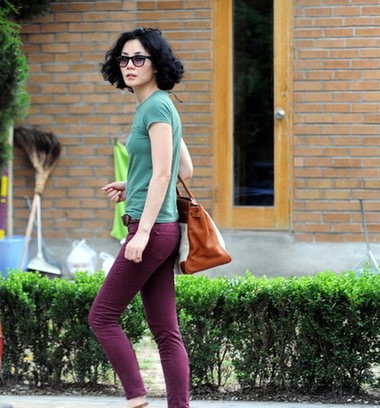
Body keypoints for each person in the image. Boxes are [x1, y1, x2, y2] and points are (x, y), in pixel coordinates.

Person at [89, 27, 193, 408]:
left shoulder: (156, 107)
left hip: (151, 230)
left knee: (102, 317)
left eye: (138, 58)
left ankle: (136, 400)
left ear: (156, 63)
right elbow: (185, 168)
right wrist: (131, 183)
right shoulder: (160, 105)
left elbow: (166, 174)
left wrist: (142, 233)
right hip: (161, 228)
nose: (129, 65)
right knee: (166, 331)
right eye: (124, 59)